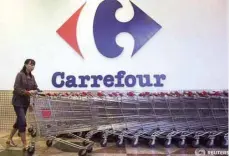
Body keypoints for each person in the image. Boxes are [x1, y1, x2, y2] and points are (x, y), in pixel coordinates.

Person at [6, 59, 40, 150]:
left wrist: (38, 91)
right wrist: (28, 92)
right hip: (18, 102)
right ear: (25, 64)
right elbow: (16, 88)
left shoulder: (32, 77)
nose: (32, 66)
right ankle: (25, 144)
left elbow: (36, 87)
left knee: (19, 122)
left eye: (33, 65)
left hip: (25, 103)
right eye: (30, 64)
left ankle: (9, 139)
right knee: (23, 122)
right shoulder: (20, 75)